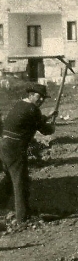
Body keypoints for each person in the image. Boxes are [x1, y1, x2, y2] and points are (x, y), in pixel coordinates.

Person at [0, 84, 57, 223]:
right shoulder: (32, 109)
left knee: (9, 178)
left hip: (4, 145)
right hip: (15, 148)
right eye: (38, 97)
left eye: (43, 98)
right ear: (31, 95)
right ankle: (23, 217)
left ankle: (1, 206)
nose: (41, 100)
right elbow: (44, 129)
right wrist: (52, 127)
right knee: (21, 181)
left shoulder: (20, 104)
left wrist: (48, 116)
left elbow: (31, 121)